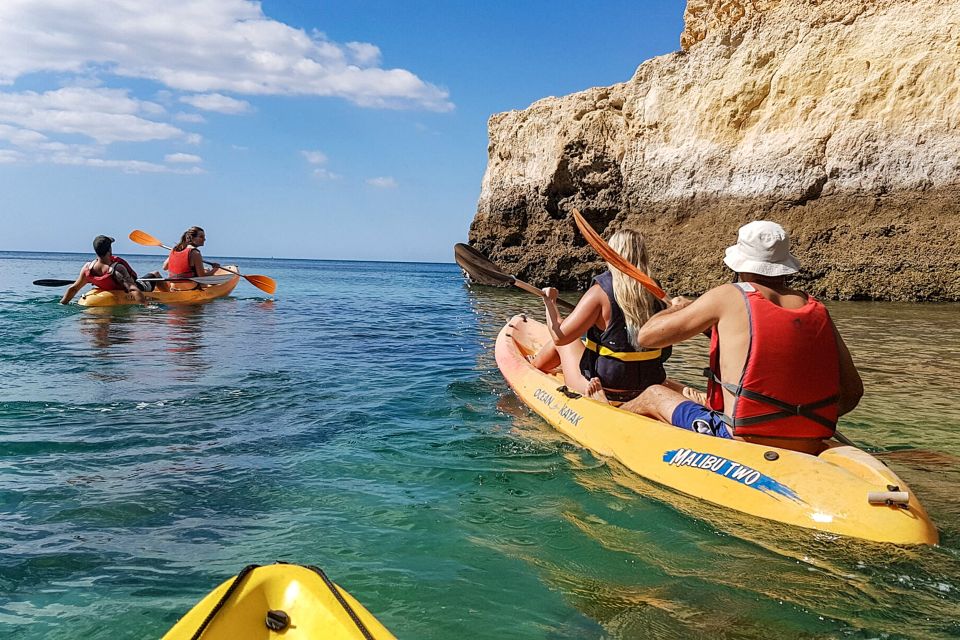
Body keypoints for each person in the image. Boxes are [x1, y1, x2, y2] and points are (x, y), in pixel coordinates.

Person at [609, 220, 863, 455]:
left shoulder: (728, 296)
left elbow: (647, 337)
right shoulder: (817, 308)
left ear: (739, 264)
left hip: (740, 437)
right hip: (810, 439)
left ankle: (607, 416)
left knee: (654, 392)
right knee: (681, 390)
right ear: (785, 266)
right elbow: (852, 392)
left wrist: (677, 307)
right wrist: (795, 423)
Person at [530, 229, 671, 402]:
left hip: (603, 387)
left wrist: (550, 303)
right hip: (647, 384)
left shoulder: (599, 294)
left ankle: (532, 368)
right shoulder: (659, 295)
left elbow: (560, 336)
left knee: (566, 340)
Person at [60, 235, 148, 304]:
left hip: (108, 289)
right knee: (155, 274)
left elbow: (74, 289)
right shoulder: (117, 269)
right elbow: (133, 289)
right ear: (109, 250)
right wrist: (147, 306)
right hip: (138, 287)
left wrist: (63, 303)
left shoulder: (87, 268)